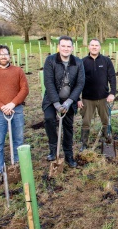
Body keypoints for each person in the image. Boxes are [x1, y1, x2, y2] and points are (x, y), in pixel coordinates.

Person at [0, 44, 29, 185]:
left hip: (16, 110)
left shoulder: (18, 71)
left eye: (6, 54)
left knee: (18, 140)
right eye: (0, 54)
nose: (3, 56)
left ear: (9, 56)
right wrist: (2, 106)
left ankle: (17, 168)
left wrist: (12, 104)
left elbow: (24, 89)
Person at [42, 36, 85, 168]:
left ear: (72, 48)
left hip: (69, 100)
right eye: (63, 46)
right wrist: (56, 103)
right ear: (58, 47)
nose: (66, 49)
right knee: (49, 119)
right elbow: (48, 82)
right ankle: (53, 150)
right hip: (51, 99)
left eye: (68, 46)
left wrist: (69, 101)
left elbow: (80, 83)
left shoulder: (78, 62)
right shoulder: (50, 60)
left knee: (68, 127)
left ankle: (68, 155)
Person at [78, 39, 116, 152]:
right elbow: (77, 81)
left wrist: (112, 93)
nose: (94, 47)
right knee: (86, 122)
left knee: (105, 120)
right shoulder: (82, 62)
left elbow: (112, 77)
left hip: (103, 97)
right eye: (92, 45)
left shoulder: (106, 61)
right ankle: (84, 143)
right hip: (87, 98)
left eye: (96, 45)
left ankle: (108, 138)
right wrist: (77, 98)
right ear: (89, 47)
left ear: (100, 47)